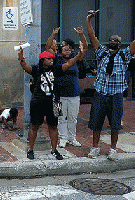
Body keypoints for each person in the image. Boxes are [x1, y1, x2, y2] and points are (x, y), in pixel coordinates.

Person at [18, 44, 85, 160]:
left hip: (55, 102)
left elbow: (69, 64)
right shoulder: (36, 69)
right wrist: (21, 56)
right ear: (43, 60)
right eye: (48, 59)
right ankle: (31, 149)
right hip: (37, 102)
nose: (51, 60)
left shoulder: (56, 69)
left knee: (54, 126)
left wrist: (78, 55)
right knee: (34, 125)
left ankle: (54, 150)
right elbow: (24, 66)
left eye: (52, 59)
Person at [85, 10, 135, 160]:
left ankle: (113, 149)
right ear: (108, 42)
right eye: (112, 40)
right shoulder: (101, 53)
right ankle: (95, 147)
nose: (114, 42)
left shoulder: (124, 55)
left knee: (115, 124)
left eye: (117, 41)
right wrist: (88, 20)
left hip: (116, 95)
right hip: (100, 94)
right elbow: (92, 36)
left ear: (120, 44)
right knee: (96, 122)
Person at [45, 27, 88, 148]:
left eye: (69, 49)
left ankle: (72, 138)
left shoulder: (76, 59)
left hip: (74, 94)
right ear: (60, 51)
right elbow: (48, 47)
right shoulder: (57, 59)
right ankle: (63, 138)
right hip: (59, 95)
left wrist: (81, 34)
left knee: (73, 118)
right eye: (65, 49)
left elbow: (85, 48)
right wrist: (53, 34)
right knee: (61, 117)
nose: (67, 51)